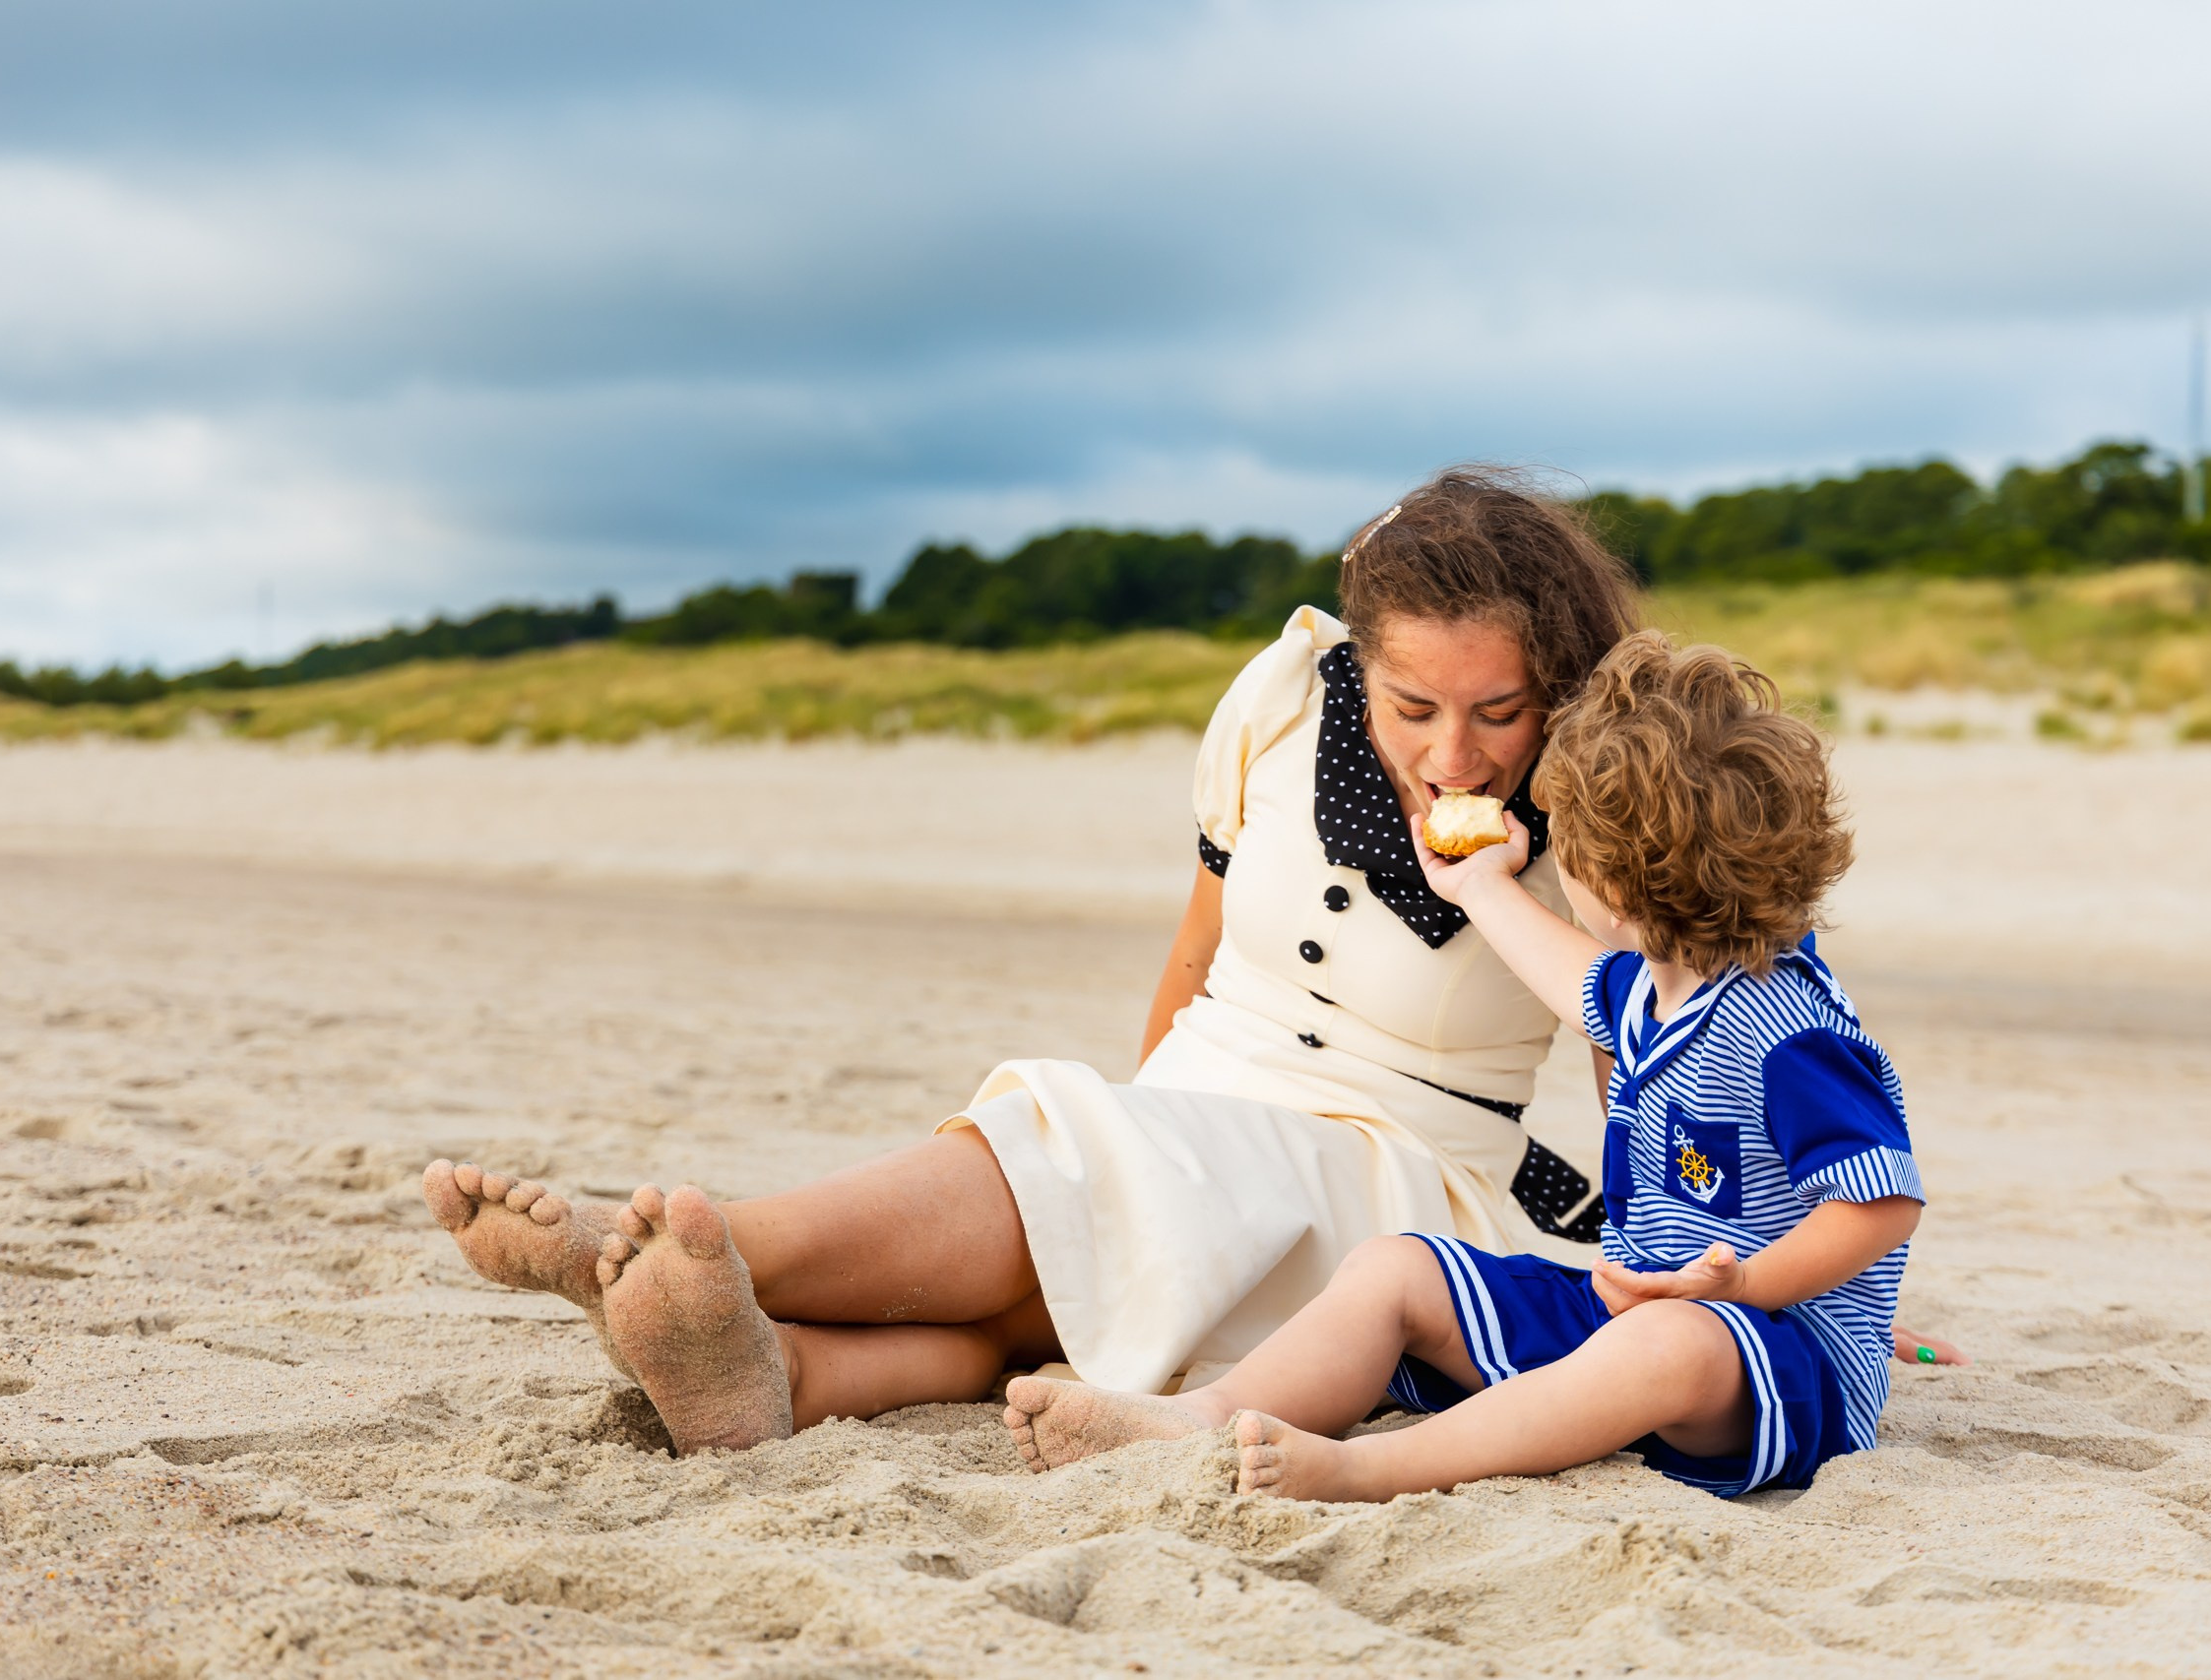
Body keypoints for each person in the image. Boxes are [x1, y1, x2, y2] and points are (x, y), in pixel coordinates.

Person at [424, 471, 1956, 1453]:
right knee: (1102, 1170)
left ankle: (687, 1249)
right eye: (1414, 703)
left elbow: (1697, 1057)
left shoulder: (1613, 804)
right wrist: (1138, 1106)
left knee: (1105, 1178)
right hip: (1211, 1085)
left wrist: (1790, 1277)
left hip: (1402, 1154)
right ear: (1362, 662)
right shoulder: (1280, 707)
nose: (1454, 748)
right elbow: (1197, 950)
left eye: (1500, 710)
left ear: (1555, 686)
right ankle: (777, 1373)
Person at [1001, 632, 1925, 1501]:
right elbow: (1574, 979)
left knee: (1669, 1343)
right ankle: (1201, 1418)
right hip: (1634, 1310)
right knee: (1397, 1268)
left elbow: (1882, 1200)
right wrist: (1479, 883)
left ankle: (1371, 1468)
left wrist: (1744, 1284)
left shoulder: (1790, 1032)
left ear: (1616, 886)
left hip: (1777, 1361)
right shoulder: (1659, 982)